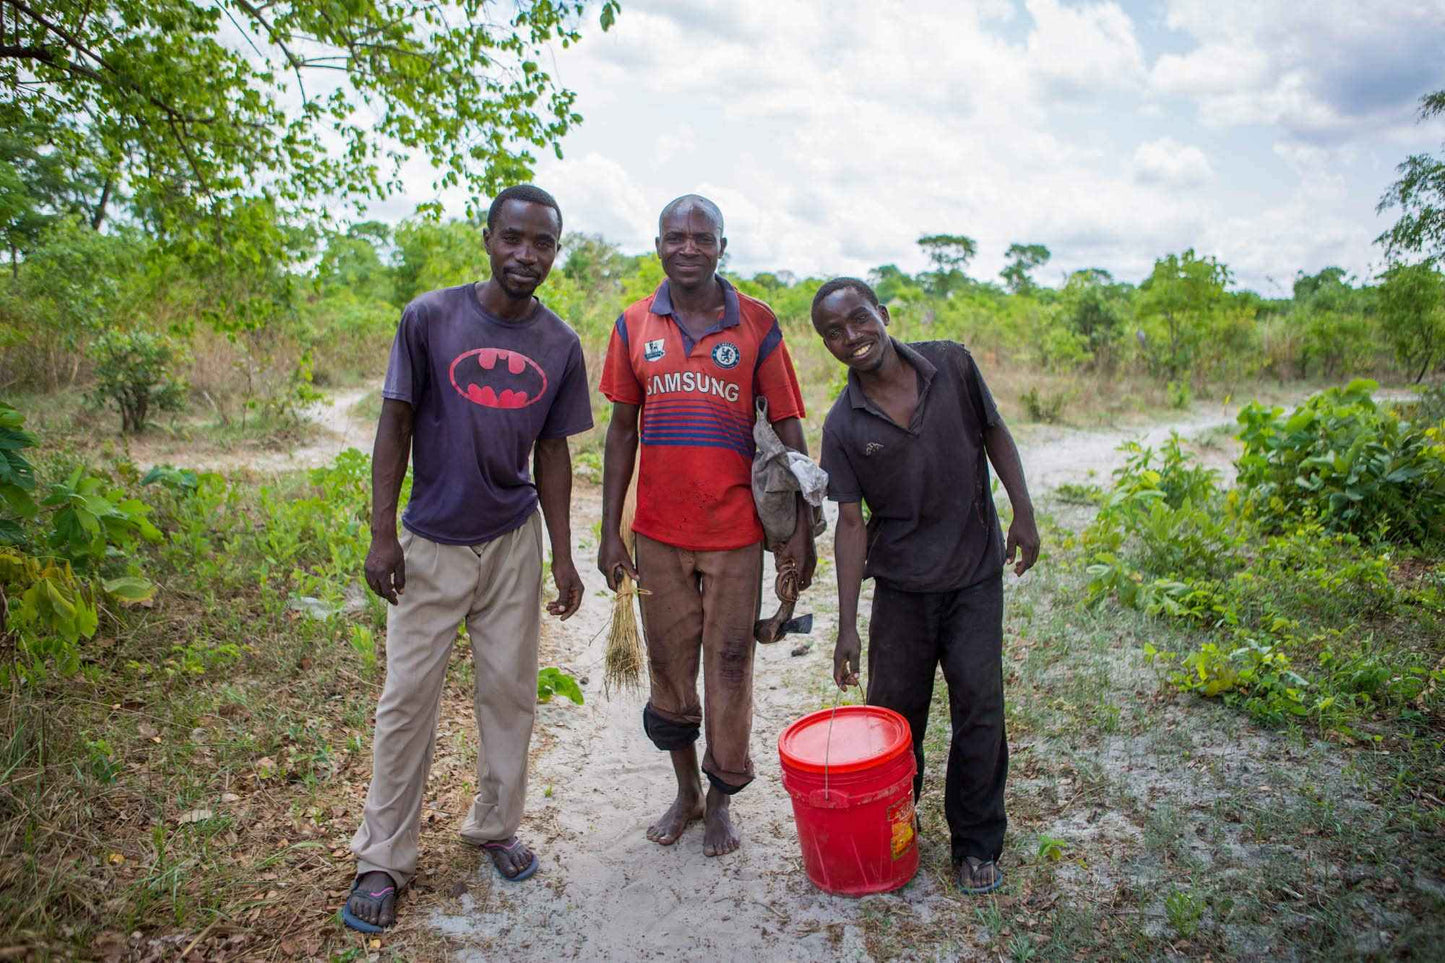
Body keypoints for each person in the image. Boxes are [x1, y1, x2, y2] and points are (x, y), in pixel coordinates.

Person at [341, 185, 593, 932]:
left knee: (509, 692)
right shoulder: (430, 318)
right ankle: (383, 856)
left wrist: (563, 554)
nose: (526, 254)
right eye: (512, 238)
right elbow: (394, 425)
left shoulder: (558, 344)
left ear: (554, 251)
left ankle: (493, 824)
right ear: (487, 238)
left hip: (512, 539)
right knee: (406, 698)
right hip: (431, 540)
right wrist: (382, 533)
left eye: (541, 243)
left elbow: (553, 453)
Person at [596, 194, 813, 857]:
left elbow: (786, 426)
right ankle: (685, 789)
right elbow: (621, 430)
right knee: (669, 668)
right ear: (657, 245)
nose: (687, 247)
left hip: (735, 535)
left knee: (728, 664)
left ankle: (721, 798)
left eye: (701, 237)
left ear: (722, 245)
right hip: (657, 534)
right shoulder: (633, 323)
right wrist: (611, 530)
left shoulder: (757, 322)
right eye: (674, 236)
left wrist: (799, 528)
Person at [812, 277, 1039, 895]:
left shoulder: (952, 364)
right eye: (833, 332)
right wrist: (848, 626)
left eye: (859, 320)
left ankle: (976, 842)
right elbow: (851, 524)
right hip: (903, 593)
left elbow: (995, 434)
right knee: (894, 721)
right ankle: (894, 830)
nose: (850, 337)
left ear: (883, 315)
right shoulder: (843, 424)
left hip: (973, 577)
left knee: (980, 709)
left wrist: (1023, 512)